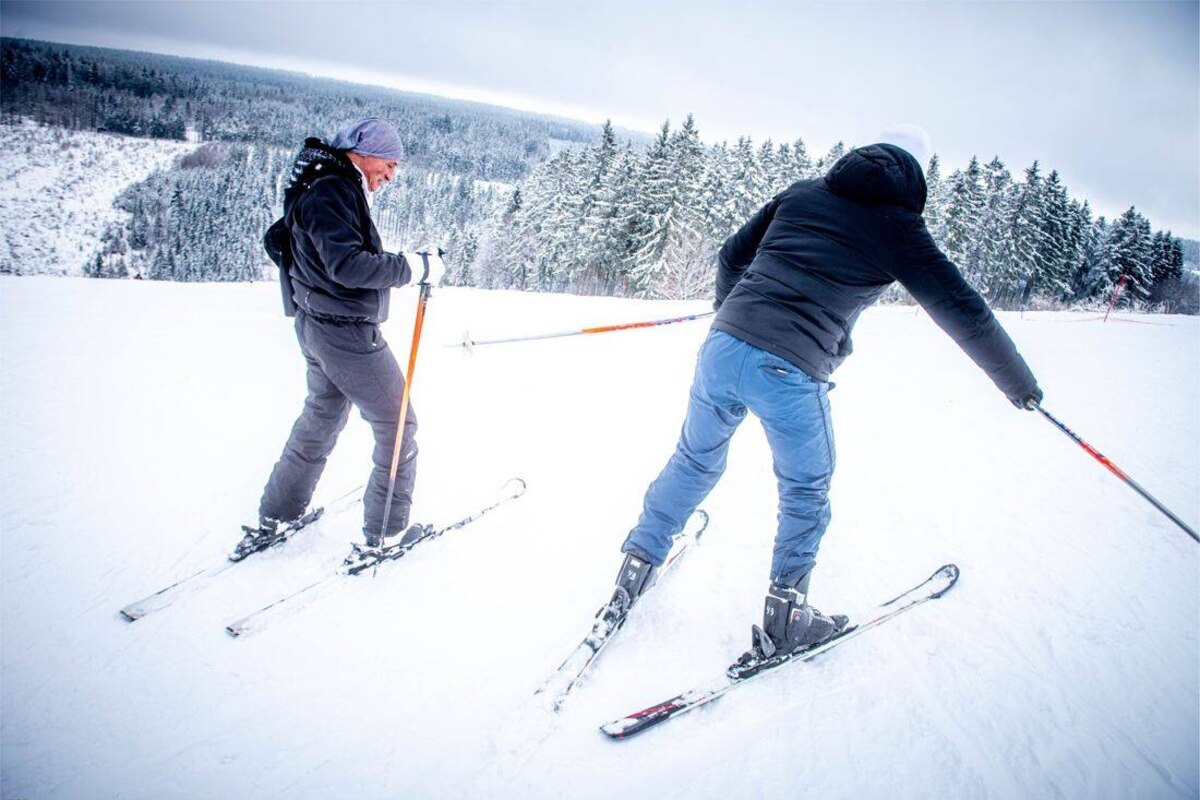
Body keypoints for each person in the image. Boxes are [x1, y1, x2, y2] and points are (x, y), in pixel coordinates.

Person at [609, 124, 1042, 670]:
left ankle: (636, 563)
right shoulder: (900, 229)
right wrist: (1019, 385)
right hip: (789, 370)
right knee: (805, 489)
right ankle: (787, 617)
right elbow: (963, 311)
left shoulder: (803, 194)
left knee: (694, 459)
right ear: (916, 176)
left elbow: (730, 256)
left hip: (722, 349)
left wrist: (731, 313)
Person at [245, 117, 444, 553]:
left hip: (317, 326)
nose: (390, 175)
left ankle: (278, 513)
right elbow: (349, 266)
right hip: (345, 333)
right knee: (398, 425)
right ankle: (386, 532)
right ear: (364, 152)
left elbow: (281, 239)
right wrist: (414, 268)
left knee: (322, 416)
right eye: (389, 163)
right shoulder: (332, 189)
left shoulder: (319, 182)